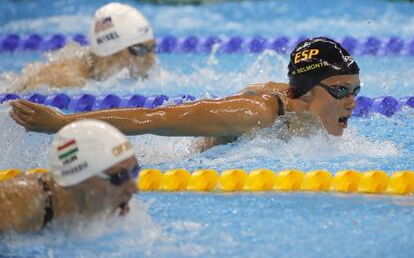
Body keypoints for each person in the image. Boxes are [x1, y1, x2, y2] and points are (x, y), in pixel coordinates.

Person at [9, 37, 361, 151]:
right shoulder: (256, 112)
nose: (352, 102)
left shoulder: (312, 111)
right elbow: (153, 119)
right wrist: (62, 121)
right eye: (341, 90)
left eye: (356, 91)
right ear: (307, 91)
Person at [0, 120, 139, 233]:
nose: (134, 188)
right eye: (120, 176)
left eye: (134, 171)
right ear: (80, 180)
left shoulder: (100, 205)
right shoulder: (17, 207)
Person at [11, 2, 156, 91]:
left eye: (152, 48)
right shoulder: (65, 79)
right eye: (140, 50)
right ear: (110, 52)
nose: (151, 59)